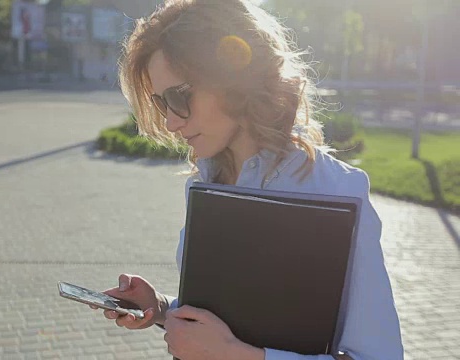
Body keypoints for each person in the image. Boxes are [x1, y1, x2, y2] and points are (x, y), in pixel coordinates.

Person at [93, 0, 404, 359]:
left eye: (179, 97)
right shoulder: (206, 183)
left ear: (232, 78)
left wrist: (239, 355)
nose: (169, 123)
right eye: (161, 103)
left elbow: (379, 355)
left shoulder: (336, 191)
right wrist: (161, 308)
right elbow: (237, 314)